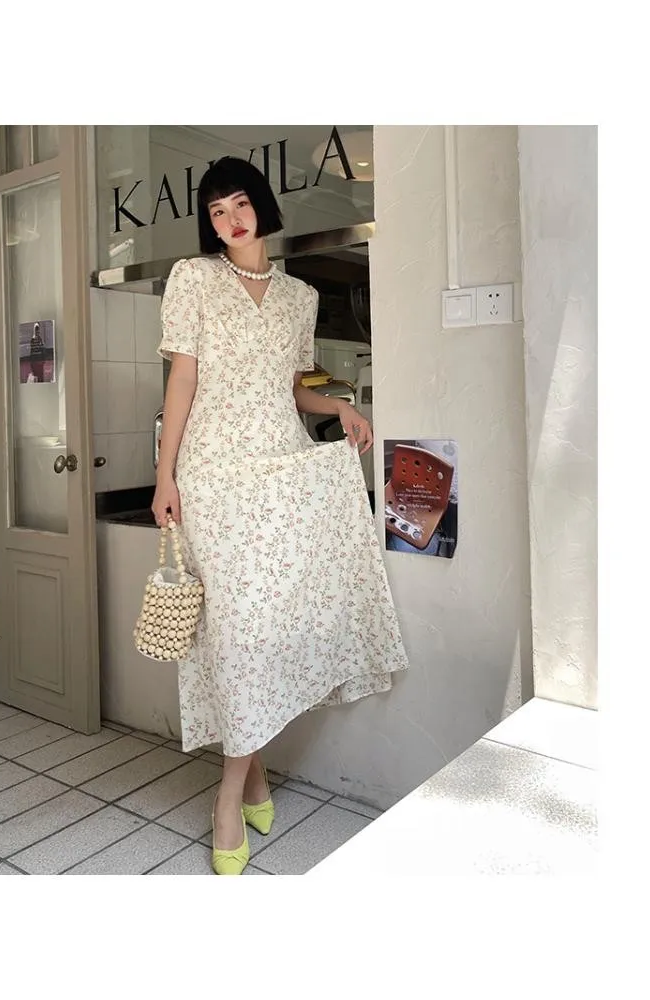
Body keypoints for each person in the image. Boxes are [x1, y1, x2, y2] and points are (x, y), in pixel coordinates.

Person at [152, 156, 409, 875]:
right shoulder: (192, 278)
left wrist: (340, 407)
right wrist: (165, 474)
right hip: (212, 475)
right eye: (216, 211)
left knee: (263, 632)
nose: (230, 220)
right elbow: (183, 378)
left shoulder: (301, 297)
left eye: (239, 204)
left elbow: (292, 388)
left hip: (281, 471)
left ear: (262, 207)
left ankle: (251, 775)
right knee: (235, 632)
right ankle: (231, 793)